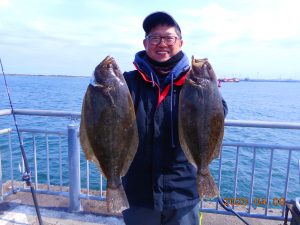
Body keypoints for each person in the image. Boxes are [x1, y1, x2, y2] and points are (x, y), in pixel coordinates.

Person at [121, 11, 228, 225]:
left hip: (184, 193)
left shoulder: (195, 81)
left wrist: (211, 92)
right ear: (145, 43)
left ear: (180, 42)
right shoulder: (127, 82)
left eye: (168, 37)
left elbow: (219, 114)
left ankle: (203, 173)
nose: (162, 43)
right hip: (138, 194)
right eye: (154, 38)